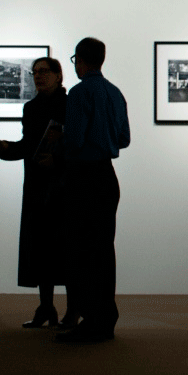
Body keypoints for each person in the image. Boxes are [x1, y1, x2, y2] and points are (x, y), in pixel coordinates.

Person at [0, 57, 76, 329]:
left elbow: (77, 143)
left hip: (64, 184)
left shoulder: (70, 104)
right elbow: (30, 145)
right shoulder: (31, 108)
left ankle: (73, 310)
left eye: (44, 72)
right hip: (38, 183)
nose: (38, 76)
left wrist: (59, 160)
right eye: (35, 72)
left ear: (58, 75)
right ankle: (46, 307)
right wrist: (8, 149)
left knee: (66, 247)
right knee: (40, 246)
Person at [55, 38, 130, 344]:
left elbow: (73, 139)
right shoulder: (114, 93)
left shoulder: (79, 92)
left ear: (79, 61)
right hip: (107, 177)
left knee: (82, 250)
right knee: (103, 247)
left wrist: (56, 145)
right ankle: (105, 316)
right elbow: (124, 139)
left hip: (82, 176)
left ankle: (91, 319)